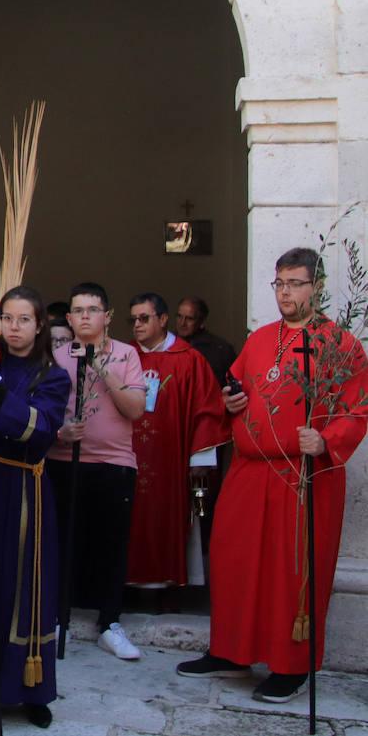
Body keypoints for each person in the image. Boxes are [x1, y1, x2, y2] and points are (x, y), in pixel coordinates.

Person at [177, 247, 368, 702]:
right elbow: (235, 388)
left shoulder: (341, 344)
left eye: (295, 283)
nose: (285, 292)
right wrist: (231, 403)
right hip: (248, 470)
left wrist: (325, 441)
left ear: (317, 288)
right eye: (279, 283)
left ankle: (290, 666)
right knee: (233, 560)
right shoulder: (260, 338)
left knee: (290, 572)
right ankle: (230, 650)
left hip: (302, 477)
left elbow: (357, 409)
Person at [0, 286, 71, 728]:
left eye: (23, 320)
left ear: (39, 325)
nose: (13, 328)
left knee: (25, 587)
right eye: (6, 319)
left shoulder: (52, 376)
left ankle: (31, 690)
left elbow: (39, 429)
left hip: (23, 489)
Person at [46, 282, 146, 661]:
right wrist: (59, 432)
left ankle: (109, 623)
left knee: (111, 545)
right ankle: (56, 617)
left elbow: (136, 408)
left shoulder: (126, 354)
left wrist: (106, 371)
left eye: (93, 309)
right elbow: (45, 408)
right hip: (62, 460)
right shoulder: (55, 357)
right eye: (78, 310)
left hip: (113, 463)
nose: (85, 316)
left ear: (108, 316)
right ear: (69, 319)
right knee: (61, 542)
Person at [126, 293, 227, 588]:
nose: (137, 325)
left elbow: (207, 410)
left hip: (171, 460)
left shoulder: (189, 360)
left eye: (144, 318)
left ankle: (168, 587)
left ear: (163, 319)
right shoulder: (124, 356)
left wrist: (200, 459)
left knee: (168, 519)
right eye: (133, 320)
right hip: (128, 458)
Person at [175, 297, 239, 383]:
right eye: (179, 316)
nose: (182, 323)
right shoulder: (166, 344)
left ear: (202, 322)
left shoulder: (221, 350)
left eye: (189, 319)